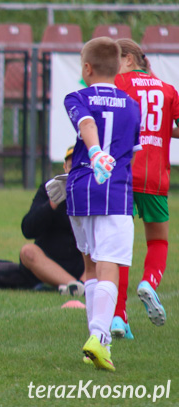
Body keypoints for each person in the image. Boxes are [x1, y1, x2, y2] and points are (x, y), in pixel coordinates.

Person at [63, 37, 140, 372]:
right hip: (115, 192)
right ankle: (99, 337)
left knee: (91, 266)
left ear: (87, 68)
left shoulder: (76, 97)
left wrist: (91, 153)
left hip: (80, 191)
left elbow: (86, 122)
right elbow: (97, 131)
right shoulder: (132, 105)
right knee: (110, 265)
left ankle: (95, 343)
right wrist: (99, 153)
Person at [112, 38, 179, 337]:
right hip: (156, 176)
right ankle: (148, 283)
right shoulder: (167, 90)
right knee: (158, 242)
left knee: (119, 247)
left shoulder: (120, 82)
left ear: (127, 59)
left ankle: (118, 316)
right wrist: (162, 131)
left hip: (124, 173)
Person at [18, 146, 84, 293]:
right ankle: (76, 286)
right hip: (50, 263)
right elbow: (28, 229)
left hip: (84, 264)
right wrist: (52, 204)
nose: (75, 171)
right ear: (65, 167)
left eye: (80, 165)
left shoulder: (95, 191)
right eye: (72, 166)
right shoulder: (49, 189)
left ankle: (81, 284)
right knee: (27, 251)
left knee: (104, 249)